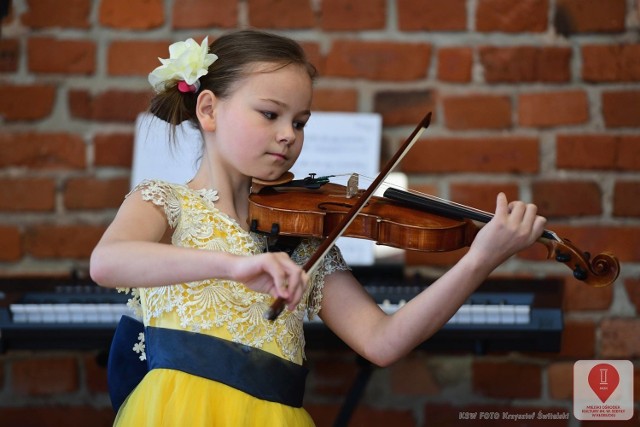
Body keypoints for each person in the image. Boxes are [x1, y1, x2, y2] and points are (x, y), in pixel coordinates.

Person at [90, 29, 547, 427]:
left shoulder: (302, 239)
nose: (289, 134)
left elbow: (381, 343)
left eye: (300, 121)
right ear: (208, 110)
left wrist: (478, 260)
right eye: (270, 114)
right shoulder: (167, 202)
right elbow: (108, 262)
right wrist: (235, 266)